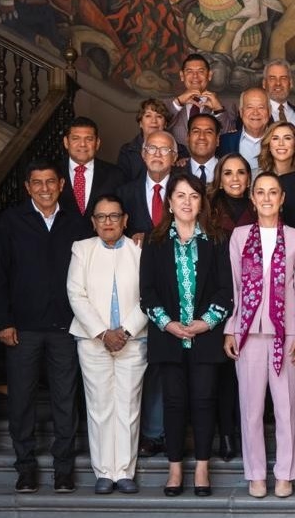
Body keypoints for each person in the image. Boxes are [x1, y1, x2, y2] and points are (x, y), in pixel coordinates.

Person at [0, 160, 91, 494]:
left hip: (66, 327)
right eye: (37, 183)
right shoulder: (11, 221)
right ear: (28, 187)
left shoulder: (76, 223)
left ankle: (63, 470)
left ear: (61, 184)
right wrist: (3, 321)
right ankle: (26, 469)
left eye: (50, 182)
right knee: (21, 400)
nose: (44, 188)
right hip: (23, 329)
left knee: (65, 399)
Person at [140, 173, 233, 497]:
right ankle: (175, 468)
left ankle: (203, 467)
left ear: (201, 202)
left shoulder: (217, 240)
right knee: (174, 403)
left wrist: (205, 322)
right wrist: (168, 323)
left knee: (205, 401)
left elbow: (226, 291)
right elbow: (146, 292)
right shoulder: (154, 241)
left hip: (206, 337)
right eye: (180, 196)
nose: (187, 202)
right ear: (169, 201)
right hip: (168, 338)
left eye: (193, 196)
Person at [223, 172, 295, 499]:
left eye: (273, 192)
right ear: (253, 198)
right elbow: (234, 287)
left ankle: (285, 473)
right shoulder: (240, 236)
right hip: (247, 333)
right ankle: (256, 473)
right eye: (261, 192)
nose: (267, 198)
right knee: (251, 409)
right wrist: (230, 328)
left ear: (282, 198)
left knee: (286, 408)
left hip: (286, 334)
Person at [67, 195, 150, 495]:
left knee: (128, 405)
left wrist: (125, 330)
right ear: (93, 222)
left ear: (125, 220)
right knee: (99, 406)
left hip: (133, 339)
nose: (107, 222)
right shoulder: (82, 249)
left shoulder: (139, 250)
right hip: (93, 341)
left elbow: (147, 295)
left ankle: (124, 471)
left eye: (114, 216)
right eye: (101, 217)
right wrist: (103, 333)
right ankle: (104, 471)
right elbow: (76, 294)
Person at [115, 130, 177, 457]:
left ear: (175, 157)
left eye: (165, 150)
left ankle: (165, 431)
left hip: (178, 289)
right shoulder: (124, 193)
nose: (157, 154)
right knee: (141, 363)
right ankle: (148, 433)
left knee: (167, 363)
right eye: (152, 148)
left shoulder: (184, 191)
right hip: (132, 292)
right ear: (142, 153)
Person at [208, 153, 255, 461]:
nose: (235, 178)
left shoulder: (261, 205)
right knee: (223, 373)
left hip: (255, 299)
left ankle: (250, 434)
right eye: (228, 173)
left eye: (240, 172)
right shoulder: (208, 209)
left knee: (251, 373)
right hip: (219, 296)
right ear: (219, 178)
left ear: (249, 178)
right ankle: (226, 435)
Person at [59, 116, 124, 219]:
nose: (83, 144)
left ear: (97, 143)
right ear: (66, 142)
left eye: (89, 139)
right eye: (76, 138)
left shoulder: (115, 174)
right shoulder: (53, 173)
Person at [166, 53, 235, 146]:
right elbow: (159, 130)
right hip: (177, 159)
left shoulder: (226, 106)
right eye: (189, 71)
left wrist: (218, 110)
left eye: (201, 71)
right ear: (182, 76)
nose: (195, 76)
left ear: (209, 75)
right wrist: (178, 103)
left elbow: (231, 141)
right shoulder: (169, 105)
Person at [117, 99, 189, 183]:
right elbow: (123, 186)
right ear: (140, 123)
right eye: (148, 116)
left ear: (165, 124)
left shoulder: (180, 150)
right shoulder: (127, 151)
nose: (154, 121)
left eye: (159, 116)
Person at [216, 87, 271, 170]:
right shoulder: (224, 142)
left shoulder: (279, 143)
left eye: (261, 107)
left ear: (269, 112)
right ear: (241, 112)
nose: (255, 112)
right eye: (250, 107)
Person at [263, 59, 295, 132]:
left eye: (283, 78)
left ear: (290, 83)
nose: (278, 83)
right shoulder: (255, 115)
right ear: (264, 84)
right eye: (272, 78)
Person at [186, 113, 222, 185]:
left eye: (208, 132)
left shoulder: (227, 170)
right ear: (188, 138)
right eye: (196, 131)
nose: (201, 137)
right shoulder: (175, 172)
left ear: (217, 140)